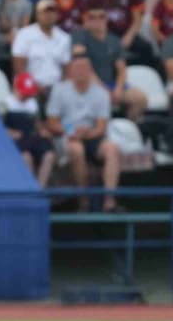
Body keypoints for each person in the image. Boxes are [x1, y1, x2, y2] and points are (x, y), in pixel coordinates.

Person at [48, 55, 121, 213]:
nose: (80, 71)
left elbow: (101, 126)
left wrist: (88, 133)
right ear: (71, 71)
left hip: (92, 134)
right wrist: (71, 132)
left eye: (84, 68)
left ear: (90, 71)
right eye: (77, 68)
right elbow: (52, 122)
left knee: (112, 149)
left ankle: (110, 201)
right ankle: (84, 201)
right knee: (77, 150)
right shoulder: (59, 90)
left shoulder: (101, 93)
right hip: (67, 134)